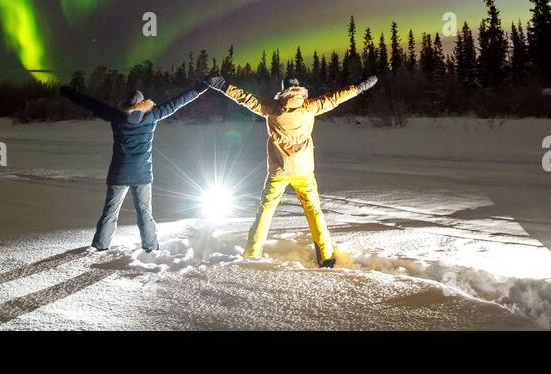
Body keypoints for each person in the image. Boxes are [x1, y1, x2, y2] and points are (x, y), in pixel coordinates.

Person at [220, 74, 377, 267]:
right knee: (314, 211)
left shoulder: (272, 108)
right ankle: (326, 256)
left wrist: (223, 86)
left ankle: (252, 253)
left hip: (279, 172)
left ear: (283, 89)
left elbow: (245, 98)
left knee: (265, 212)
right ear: (299, 89)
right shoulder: (309, 107)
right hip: (304, 171)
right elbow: (336, 98)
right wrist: (359, 88)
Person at [60, 75, 225, 252]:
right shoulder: (151, 116)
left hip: (119, 173)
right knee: (145, 214)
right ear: (143, 103)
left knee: (109, 213)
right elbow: (177, 103)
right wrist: (201, 87)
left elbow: (91, 103)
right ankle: (151, 248)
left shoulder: (116, 116)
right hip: (142, 174)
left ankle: (100, 246)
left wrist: (68, 92)